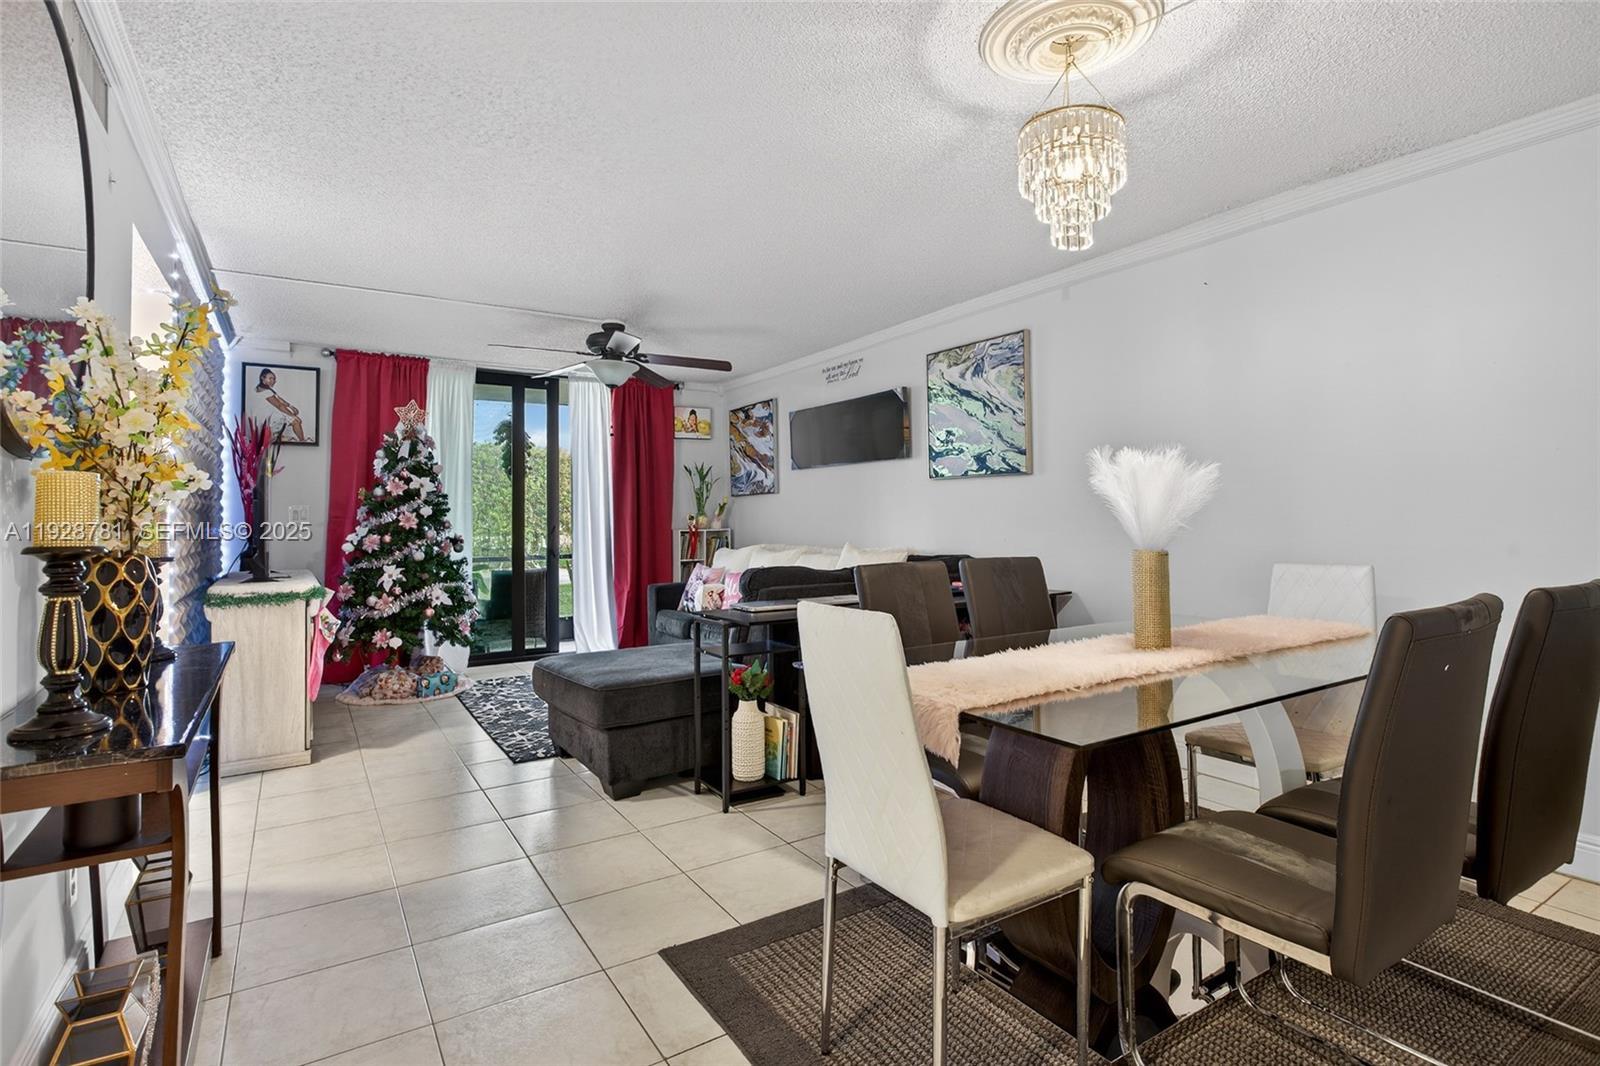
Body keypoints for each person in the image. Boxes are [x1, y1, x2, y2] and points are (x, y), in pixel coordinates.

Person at [255, 368, 308, 442]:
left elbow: (279, 399)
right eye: (270, 378)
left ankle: (283, 437)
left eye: (274, 379)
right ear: (262, 378)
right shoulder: (265, 391)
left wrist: (290, 406)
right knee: (296, 421)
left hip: (272, 415)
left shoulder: (265, 389)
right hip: (268, 418)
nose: (273, 381)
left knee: (291, 420)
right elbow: (279, 406)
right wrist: (293, 416)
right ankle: (302, 441)